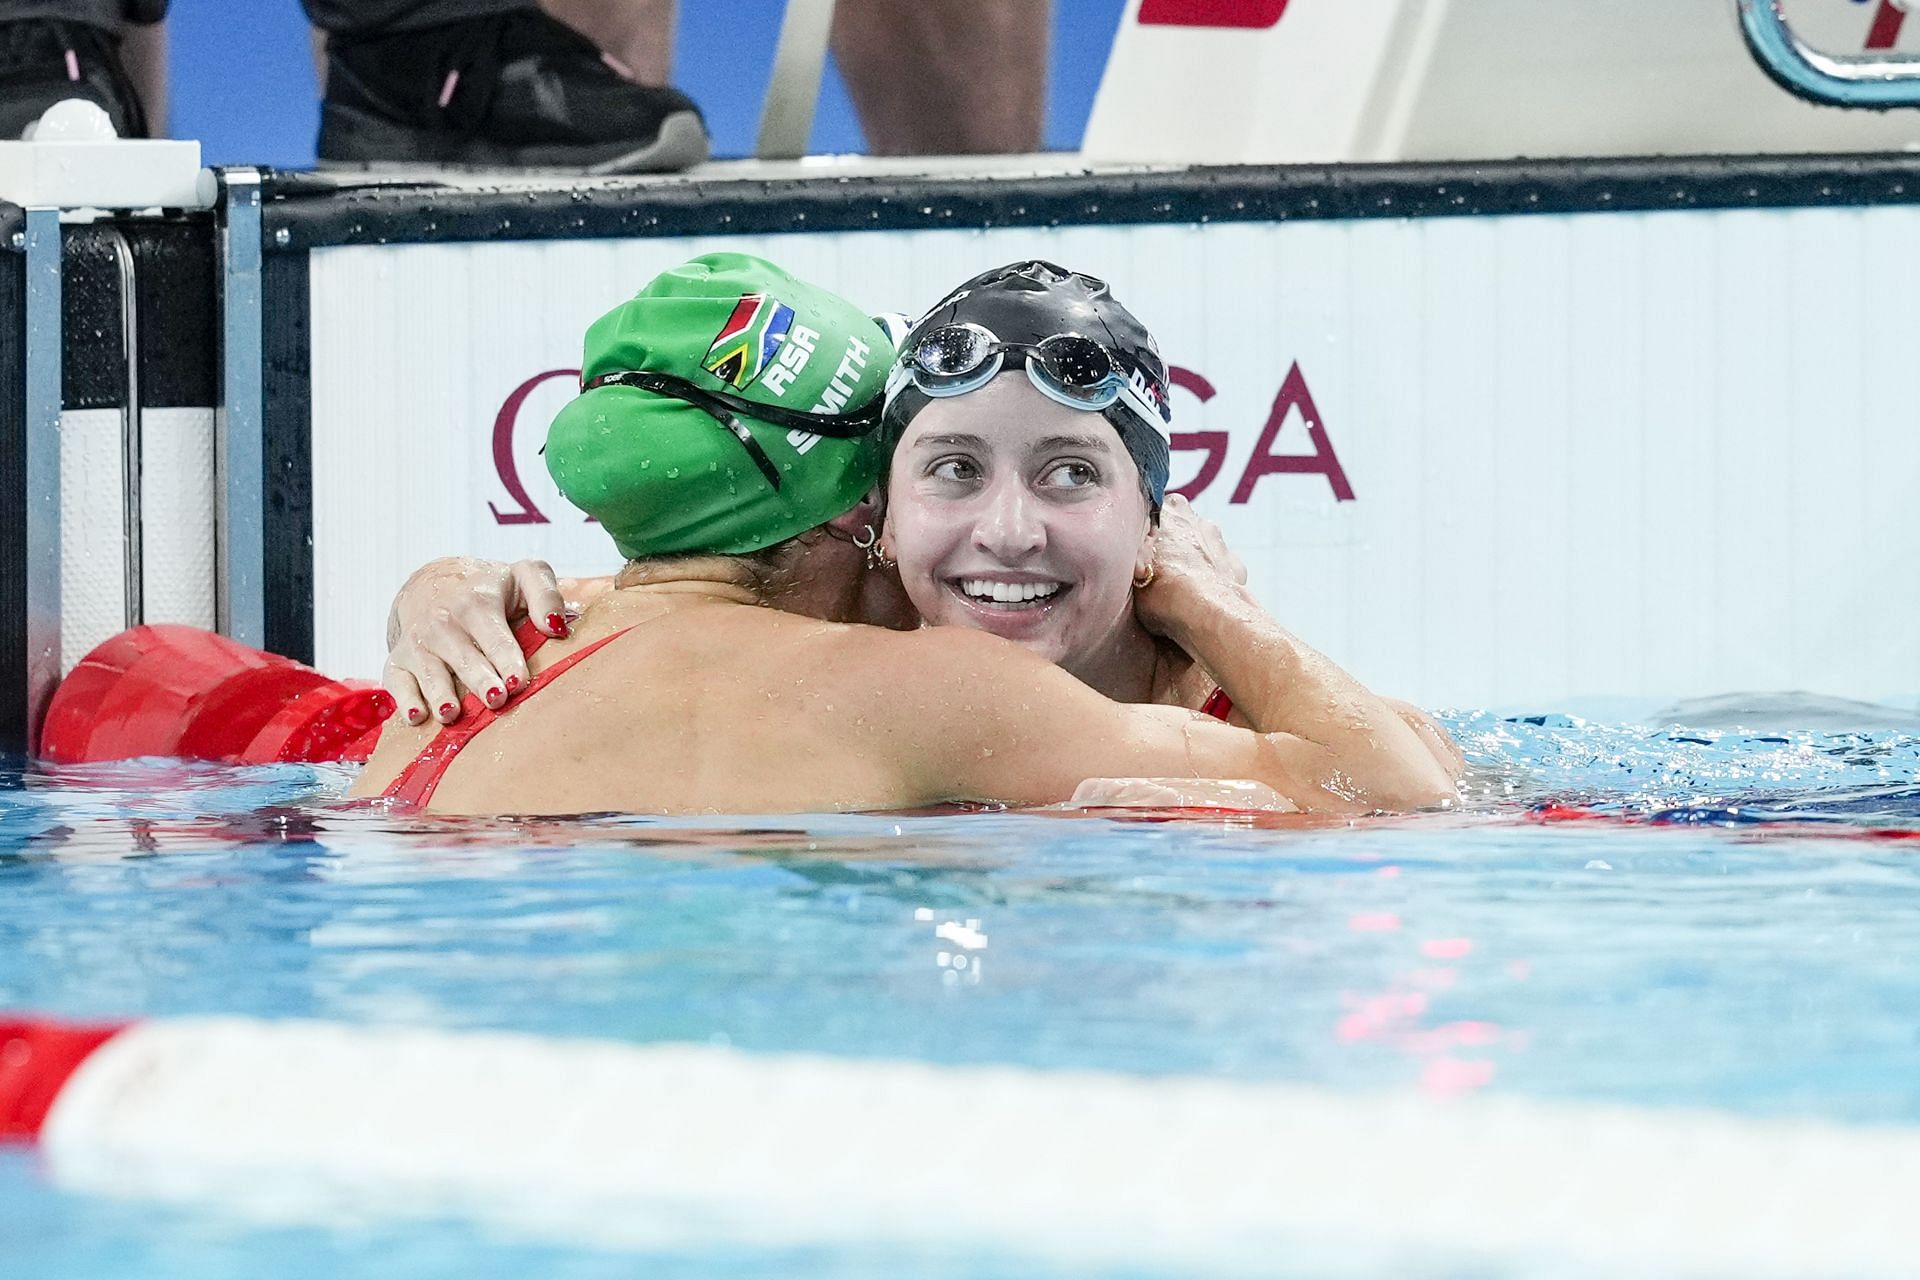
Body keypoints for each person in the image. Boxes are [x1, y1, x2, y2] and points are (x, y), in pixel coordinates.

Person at [356, 252, 1460, 815]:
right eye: (945, 472)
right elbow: (1397, 798)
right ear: (861, 509)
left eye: (1070, 473)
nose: (1005, 529)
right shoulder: (929, 689)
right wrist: (1202, 598)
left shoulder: (494, 655)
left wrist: (434, 586)